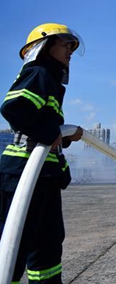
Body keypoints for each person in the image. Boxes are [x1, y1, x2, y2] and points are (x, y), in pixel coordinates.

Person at [0, 23, 85, 284]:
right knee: (16, 244)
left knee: (47, 242)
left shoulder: (50, 80)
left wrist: (64, 136)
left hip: (41, 174)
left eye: (72, 45)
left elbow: (42, 123)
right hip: (24, 173)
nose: (70, 50)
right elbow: (14, 108)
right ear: (44, 47)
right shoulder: (39, 72)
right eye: (64, 43)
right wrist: (52, 133)